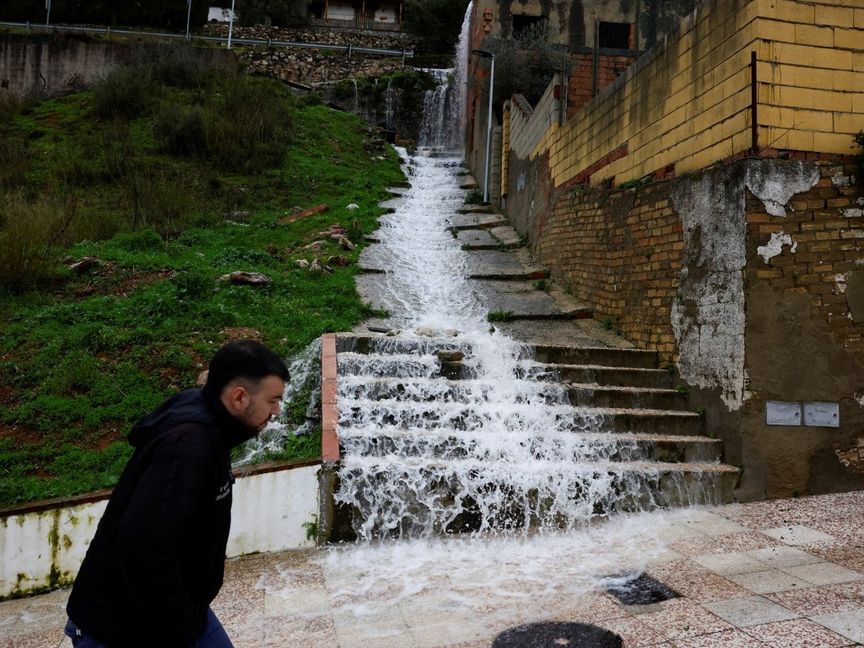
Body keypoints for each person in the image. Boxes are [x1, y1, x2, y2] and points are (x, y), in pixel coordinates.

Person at [64, 340, 289, 648]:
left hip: (179, 610)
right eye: (273, 400)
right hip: (124, 625)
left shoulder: (210, 422)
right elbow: (143, 548)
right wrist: (178, 630)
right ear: (239, 397)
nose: (277, 410)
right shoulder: (188, 447)